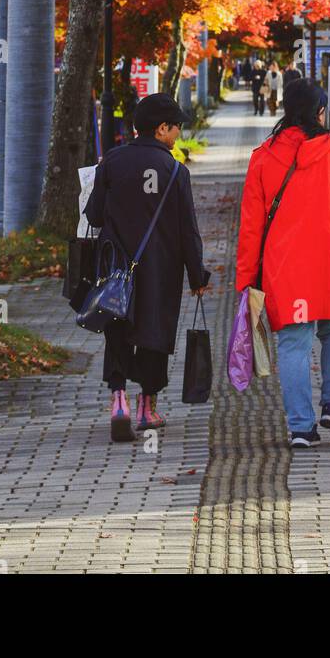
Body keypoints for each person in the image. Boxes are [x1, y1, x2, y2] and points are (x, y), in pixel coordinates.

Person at [235, 78, 330, 449]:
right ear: (320, 111)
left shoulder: (263, 157)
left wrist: (245, 280)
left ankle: (301, 428)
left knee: (293, 343)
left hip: (285, 267)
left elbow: (251, 226)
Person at [85, 92, 211, 443]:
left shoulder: (111, 161)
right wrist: (197, 276)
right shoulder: (175, 171)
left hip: (116, 268)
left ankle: (119, 401)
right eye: (175, 129)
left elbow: (94, 215)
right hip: (161, 270)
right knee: (155, 335)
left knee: (118, 328)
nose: (177, 136)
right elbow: (189, 231)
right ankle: (147, 408)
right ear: (161, 129)